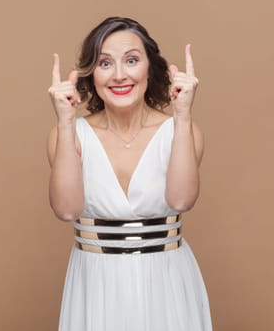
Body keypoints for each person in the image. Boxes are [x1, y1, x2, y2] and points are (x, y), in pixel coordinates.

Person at [47, 16, 212, 331]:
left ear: (150, 68)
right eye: (105, 63)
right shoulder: (69, 134)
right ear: (90, 74)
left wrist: (182, 117)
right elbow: (67, 209)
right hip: (95, 281)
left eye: (132, 60)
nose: (119, 75)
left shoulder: (180, 129)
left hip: (166, 280)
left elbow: (181, 199)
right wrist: (66, 123)